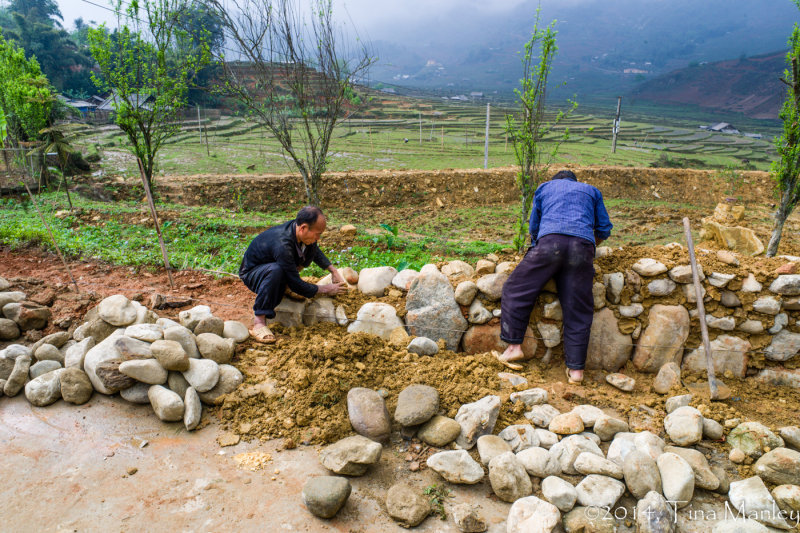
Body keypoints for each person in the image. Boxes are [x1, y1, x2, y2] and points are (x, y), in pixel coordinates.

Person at [495, 170, 613, 384]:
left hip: (550, 244)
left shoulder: (544, 187)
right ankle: (576, 372)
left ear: (556, 181)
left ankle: (513, 347)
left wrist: (538, 254)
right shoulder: (592, 191)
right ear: (575, 182)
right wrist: (587, 244)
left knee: (515, 288)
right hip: (582, 248)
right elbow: (604, 228)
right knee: (578, 308)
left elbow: (534, 227)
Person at [239, 206, 346, 343]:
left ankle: (284, 286)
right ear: (303, 228)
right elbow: (296, 283)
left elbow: (315, 251)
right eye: (317, 233)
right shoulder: (282, 243)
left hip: (276, 266)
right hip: (254, 273)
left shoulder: (298, 230)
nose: (319, 238)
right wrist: (325, 289)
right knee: (276, 271)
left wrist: (333, 270)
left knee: (310, 246)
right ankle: (259, 321)